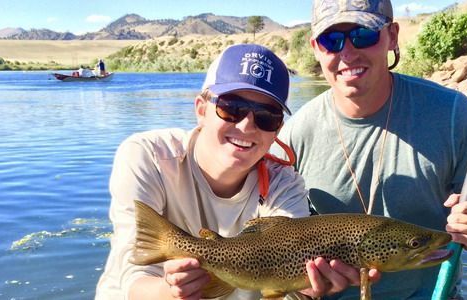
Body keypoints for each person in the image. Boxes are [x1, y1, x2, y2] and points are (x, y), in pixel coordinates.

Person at [275, 0, 467, 299]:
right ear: (315, 47)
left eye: (364, 35)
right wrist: (301, 291)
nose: (347, 53)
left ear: (392, 36)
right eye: (331, 40)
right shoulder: (294, 133)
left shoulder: (451, 113)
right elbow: (278, 233)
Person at [95, 43, 366, 300]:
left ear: (277, 130)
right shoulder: (148, 156)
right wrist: (173, 293)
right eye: (231, 108)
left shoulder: (284, 185)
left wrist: (304, 288)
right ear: (201, 110)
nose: (248, 126)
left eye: (266, 116)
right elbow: (130, 275)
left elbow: (286, 273)